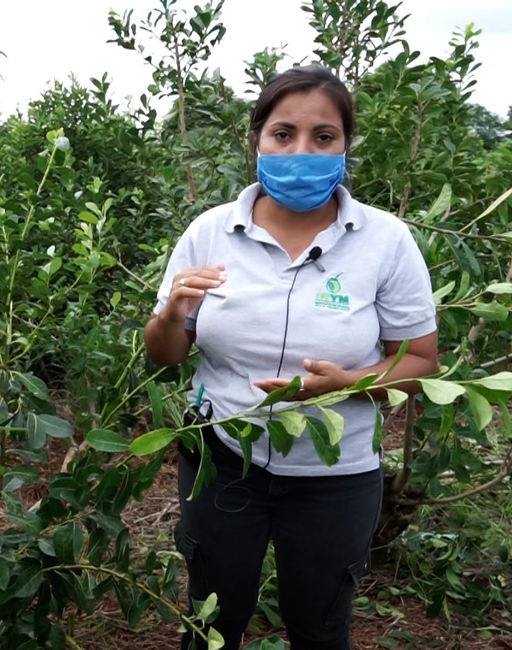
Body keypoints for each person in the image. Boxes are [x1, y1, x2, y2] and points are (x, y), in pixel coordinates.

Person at [144, 64, 439, 650]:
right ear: (256, 140)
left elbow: (421, 361)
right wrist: (172, 313)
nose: (301, 150)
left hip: (337, 475)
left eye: (322, 137)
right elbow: (166, 356)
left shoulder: (385, 241)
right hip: (222, 460)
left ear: (345, 147)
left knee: (322, 624)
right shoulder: (209, 233)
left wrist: (348, 384)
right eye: (283, 134)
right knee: (211, 621)